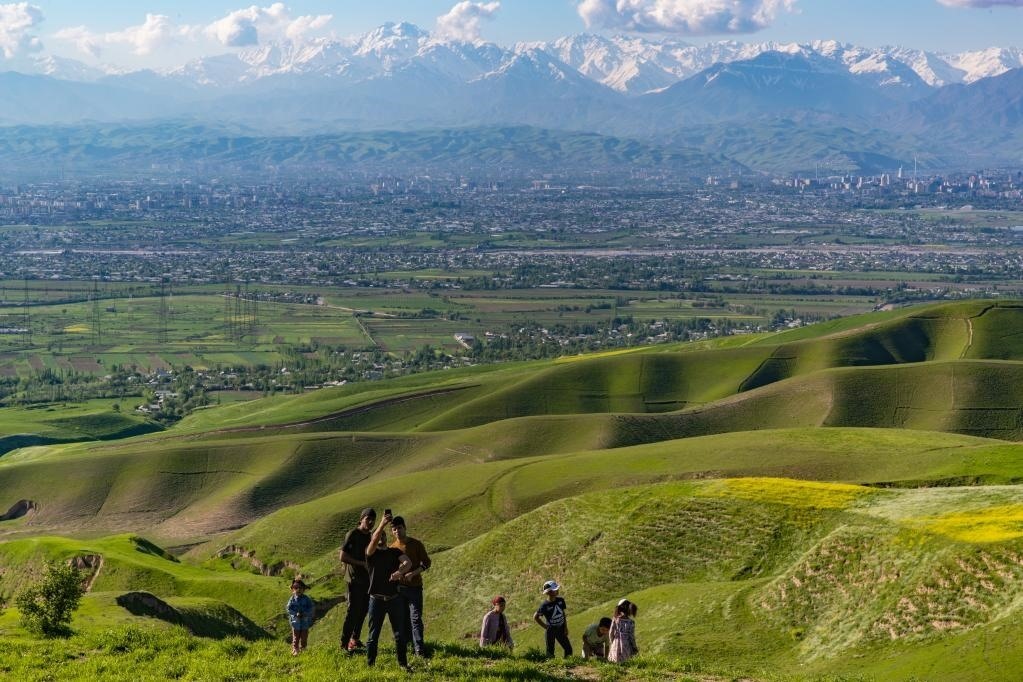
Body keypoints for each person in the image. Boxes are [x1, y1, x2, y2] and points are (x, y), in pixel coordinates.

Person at [365, 511, 413, 670]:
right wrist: (382, 524)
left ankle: (403, 665)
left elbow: (408, 563)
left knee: (400, 635)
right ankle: (370, 666)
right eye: (378, 536)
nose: (381, 538)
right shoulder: (371, 554)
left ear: (386, 538)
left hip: (394, 599)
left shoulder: (394, 552)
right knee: (373, 635)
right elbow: (373, 541)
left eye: (383, 535)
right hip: (376, 600)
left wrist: (400, 572)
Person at [389, 515, 432, 657]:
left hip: (415, 588)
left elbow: (426, 563)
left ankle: (419, 648)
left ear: (405, 528)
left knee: (416, 618)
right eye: (394, 529)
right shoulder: (392, 548)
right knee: (403, 619)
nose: (397, 531)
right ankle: (408, 645)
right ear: (392, 532)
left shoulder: (416, 544)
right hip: (399, 589)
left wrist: (413, 573)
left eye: (399, 528)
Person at [339, 507, 376, 653]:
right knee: (353, 612)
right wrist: (361, 564)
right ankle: (344, 644)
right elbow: (343, 556)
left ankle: (354, 639)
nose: (370, 522)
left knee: (363, 611)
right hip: (354, 580)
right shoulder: (353, 534)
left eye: (373, 520)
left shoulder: (370, 536)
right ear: (361, 519)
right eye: (368, 519)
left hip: (367, 580)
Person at [534, 580, 572, 658]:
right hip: (551, 631)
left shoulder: (561, 600)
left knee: (568, 649)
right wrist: (546, 627)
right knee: (550, 653)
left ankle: (567, 663)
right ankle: (552, 664)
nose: (557, 590)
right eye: (555, 589)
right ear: (549, 592)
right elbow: (535, 617)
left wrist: (565, 627)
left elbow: (563, 613)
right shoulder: (544, 605)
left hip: (561, 629)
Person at [286, 579, 315, 656]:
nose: (298, 590)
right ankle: (295, 649)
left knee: (304, 636)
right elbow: (288, 608)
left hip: (305, 621)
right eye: (296, 588)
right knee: (296, 636)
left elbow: (311, 607)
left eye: (300, 588)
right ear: (293, 589)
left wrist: (306, 613)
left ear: (303, 589)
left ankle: (303, 648)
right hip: (296, 622)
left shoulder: (306, 599)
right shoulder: (292, 599)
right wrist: (295, 614)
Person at [607, 599, 639, 664]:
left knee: (614, 663)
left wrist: (612, 642)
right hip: (626, 645)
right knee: (626, 663)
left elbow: (611, 633)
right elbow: (631, 637)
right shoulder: (631, 622)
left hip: (615, 643)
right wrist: (634, 647)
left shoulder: (615, 619)